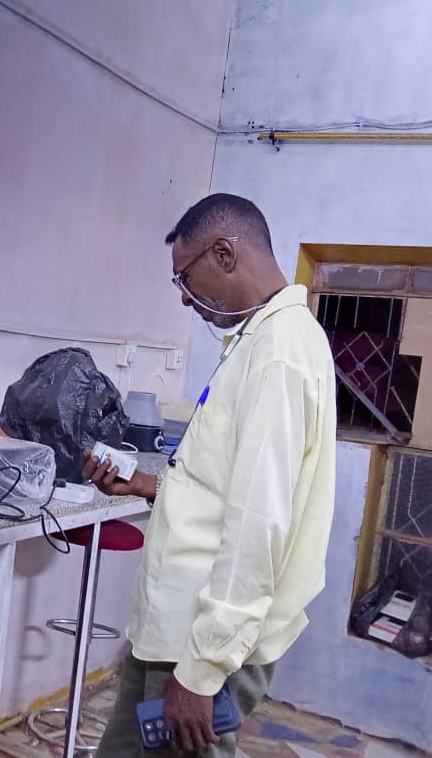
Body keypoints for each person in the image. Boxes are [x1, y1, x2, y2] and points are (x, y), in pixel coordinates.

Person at [85, 193, 336, 757]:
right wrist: (151, 486)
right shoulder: (255, 340)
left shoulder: (279, 353)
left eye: (185, 278)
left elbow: (259, 525)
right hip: (172, 630)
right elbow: (228, 487)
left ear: (224, 254)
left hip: (198, 645)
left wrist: (202, 672)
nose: (183, 297)